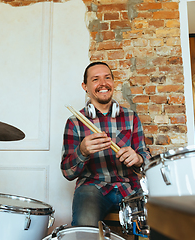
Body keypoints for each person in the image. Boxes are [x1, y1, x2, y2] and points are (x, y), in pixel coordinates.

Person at [61, 61, 151, 227]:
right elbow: (67, 172)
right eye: (95, 79)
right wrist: (82, 151)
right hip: (92, 187)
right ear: (85, 86)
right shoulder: (74, 122)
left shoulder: (131, 117)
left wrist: (138, 158)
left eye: (107, 78)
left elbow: (146, 158)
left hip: (130, 187)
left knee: (161, 223)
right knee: (84, 226)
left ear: (113, 82)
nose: (103, 83)